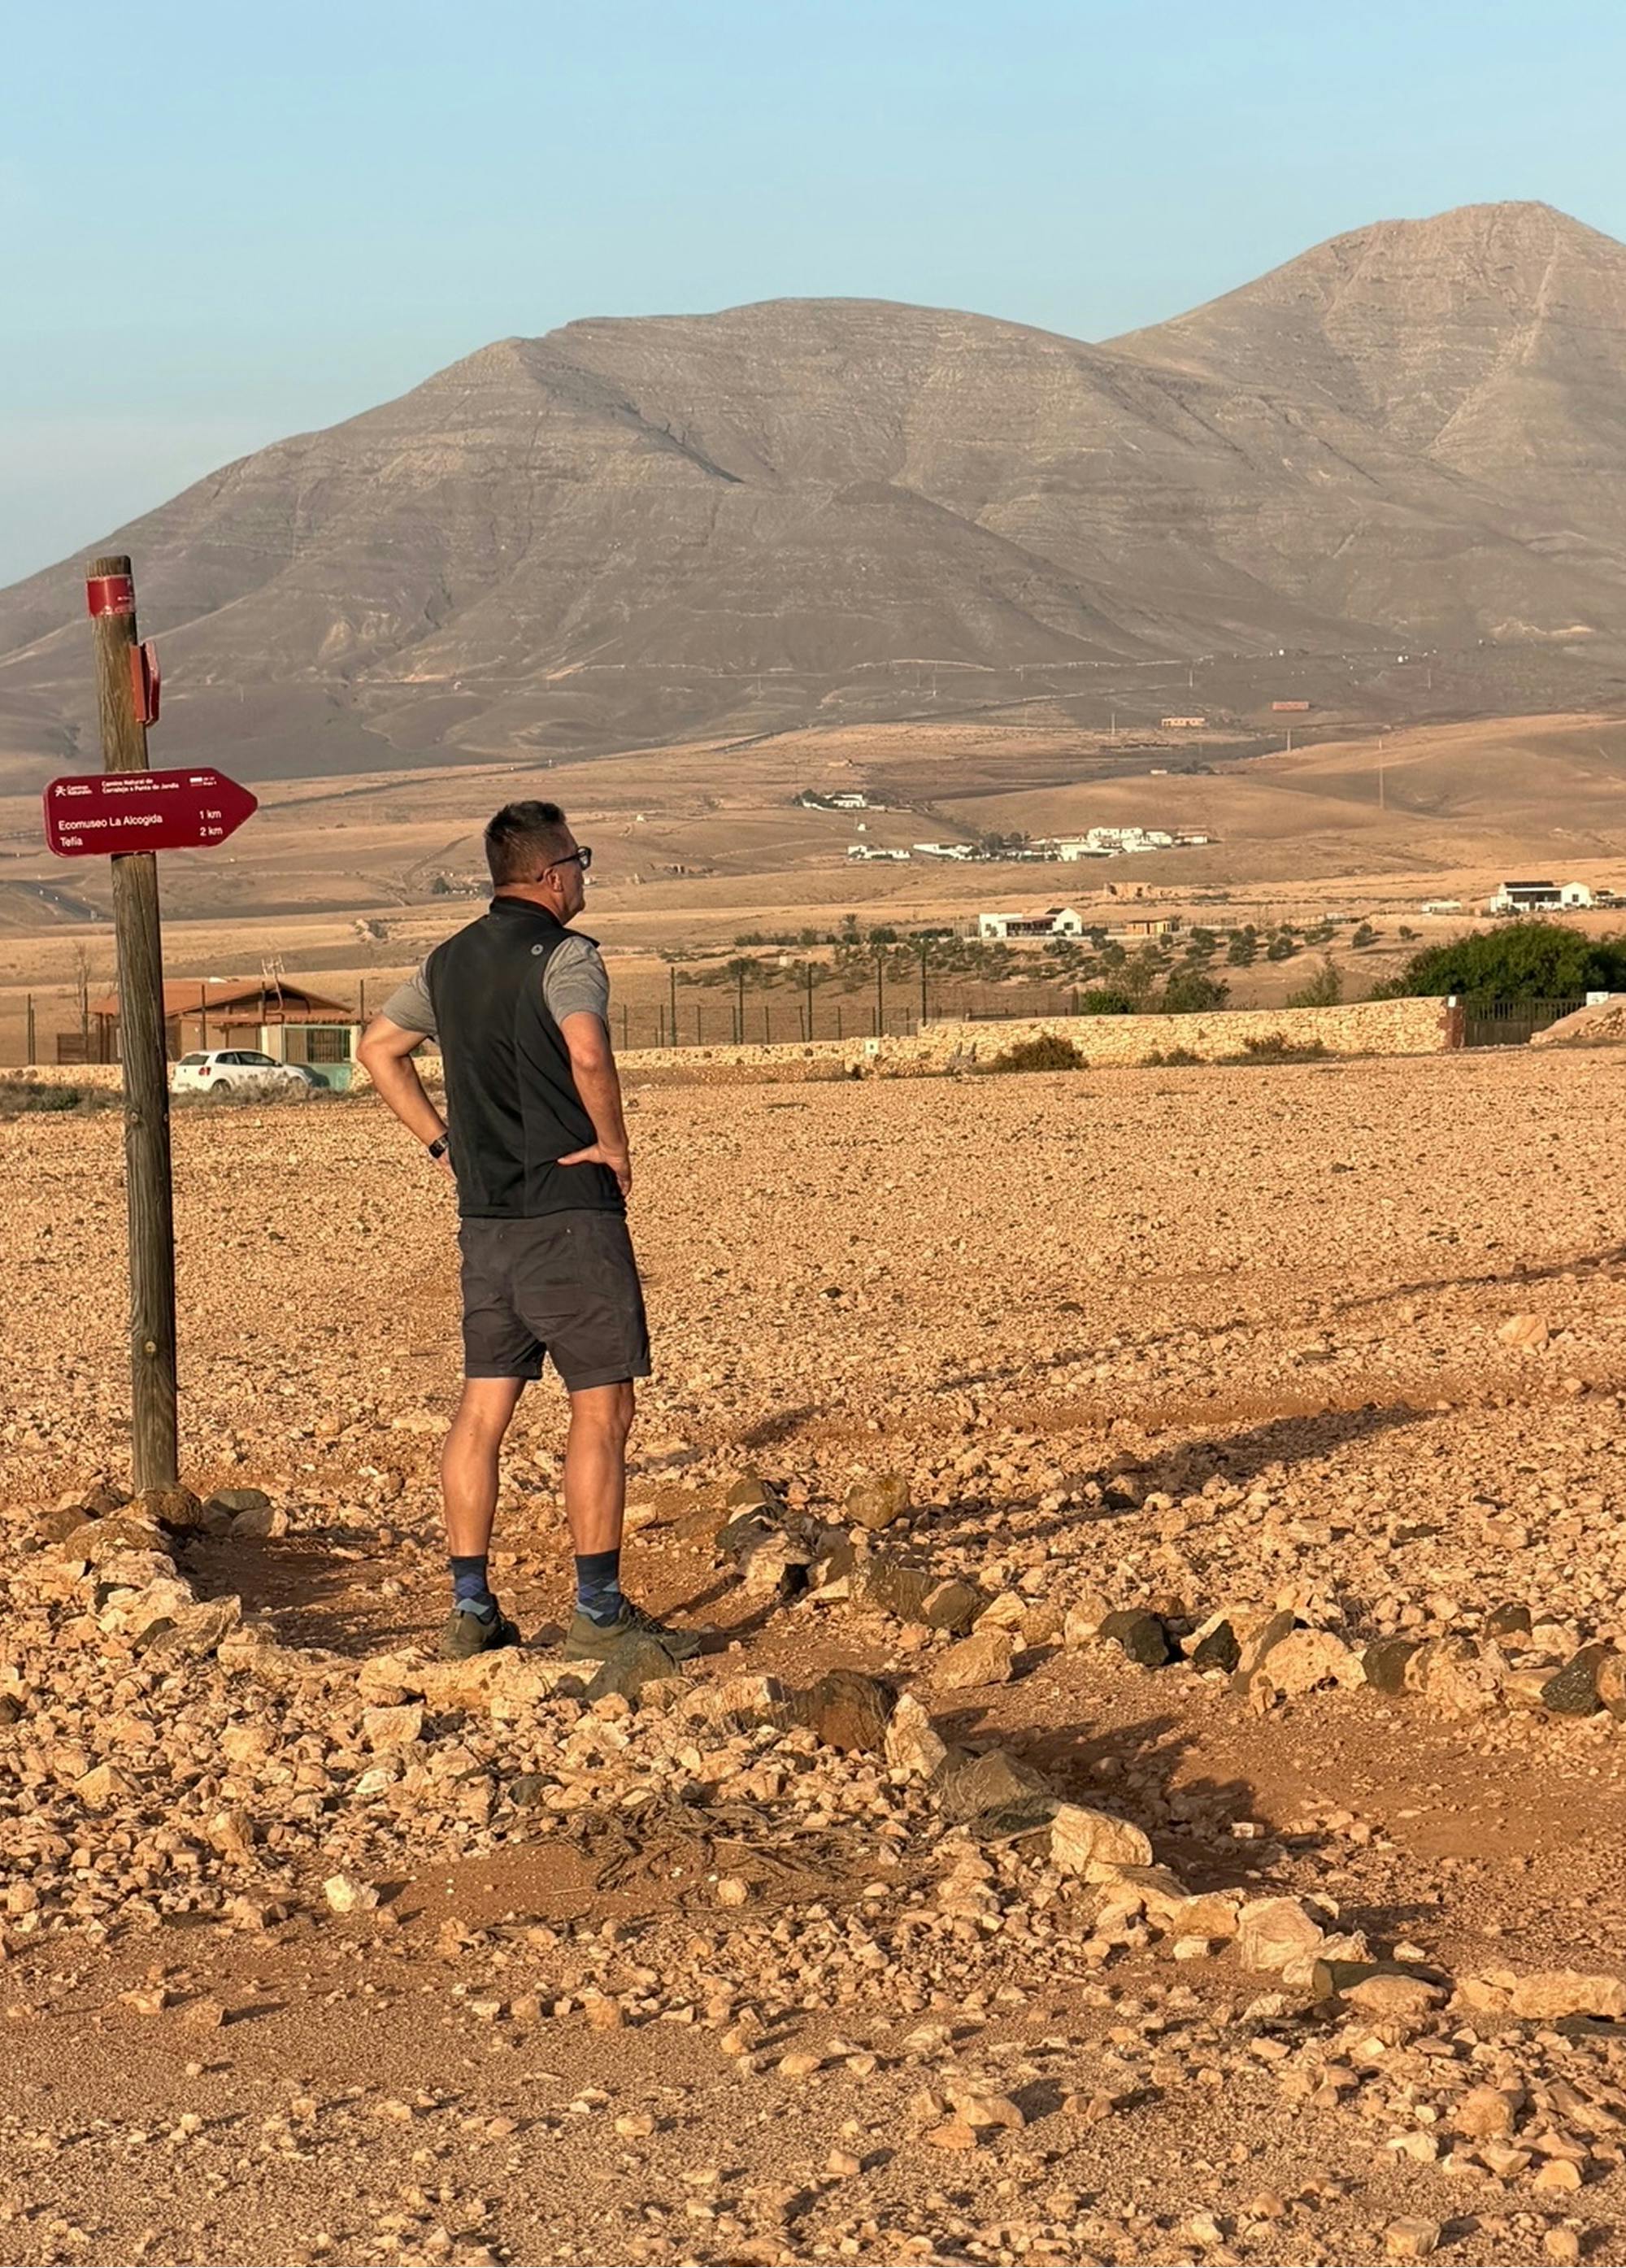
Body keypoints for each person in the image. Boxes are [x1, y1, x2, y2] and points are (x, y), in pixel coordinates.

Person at [357, 799, 698, 1667]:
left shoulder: (448, 959)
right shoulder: (568, 956)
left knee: (481, 1410)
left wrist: (441, 1142)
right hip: (569, 1214)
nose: (582, 874)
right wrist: (613, 1142)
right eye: (578, 860)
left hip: (486, 1223)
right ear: (551, 873)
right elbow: (586, 1052)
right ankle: (598, 1609)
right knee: (602, 1407)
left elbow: (378, 1049)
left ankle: (470, 1607)